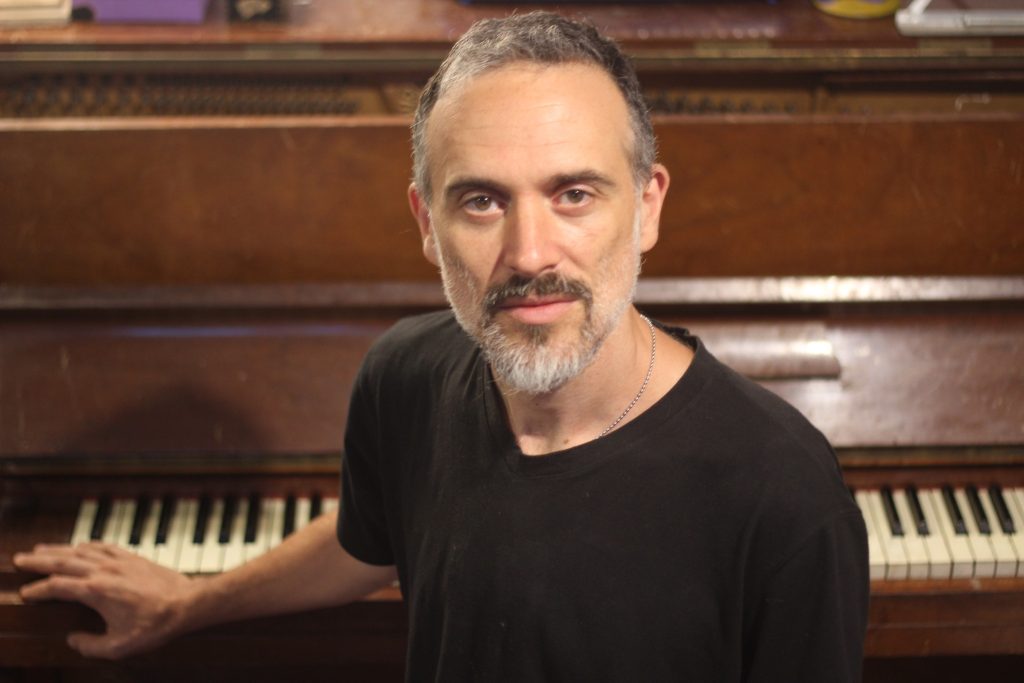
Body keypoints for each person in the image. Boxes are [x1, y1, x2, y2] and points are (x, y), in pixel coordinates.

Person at [14, 12, 869, 681]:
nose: (529, 253)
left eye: (574, 194)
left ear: (647, 206)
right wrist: (190, 602)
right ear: (427, 223)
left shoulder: (786, 492)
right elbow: (370, 536)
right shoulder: (404, 375)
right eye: (482, 201)